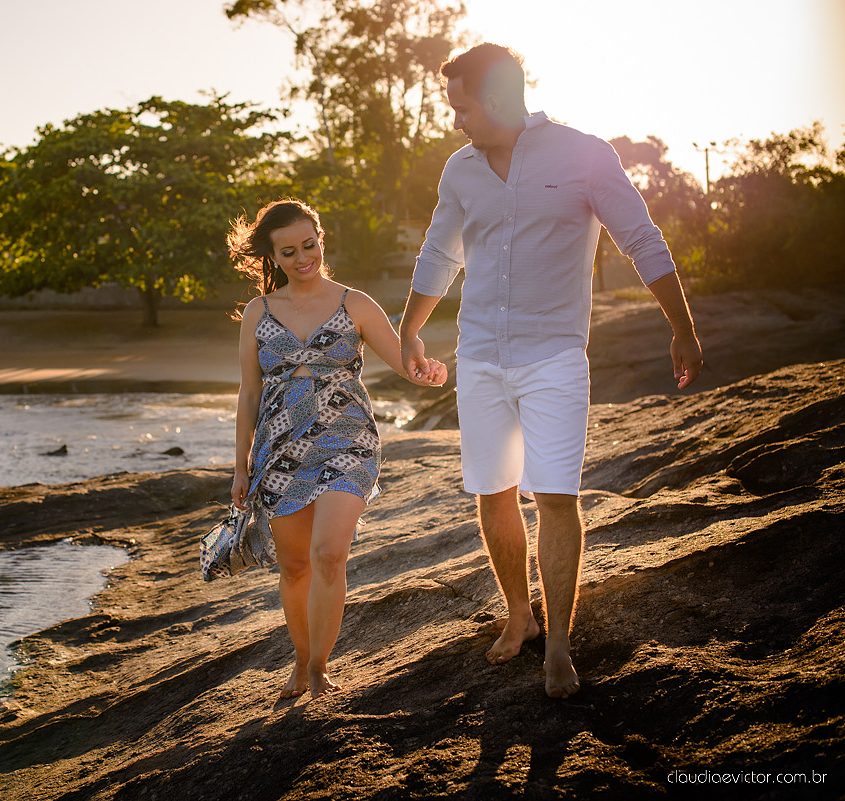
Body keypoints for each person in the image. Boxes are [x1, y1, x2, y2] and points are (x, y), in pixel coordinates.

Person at [398, 43, 703, 699]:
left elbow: (641, 238)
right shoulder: (460, 170)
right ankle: (520, 613)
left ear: (500, 99)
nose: (456, 122)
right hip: (480, 354)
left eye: (462, 107)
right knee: (494, 490)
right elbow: (438, 253)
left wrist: (681, 326)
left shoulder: (584, 155)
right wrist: (409, 326)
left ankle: (559, 645)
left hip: (555, 358)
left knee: (556, 496)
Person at [228, 198, 448, 700]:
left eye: (310, 244)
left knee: (328, 554)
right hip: (281, 449)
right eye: (289, 252)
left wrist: (429, 372)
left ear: (320, 239)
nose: (303, 258)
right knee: (294, 566)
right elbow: (249, 393)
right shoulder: (258, 313)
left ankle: (320, 669)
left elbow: (403, 364)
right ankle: (301, 659)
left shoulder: (356, 303)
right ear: (273, 256)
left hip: (348, 440)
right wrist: (240, 467)